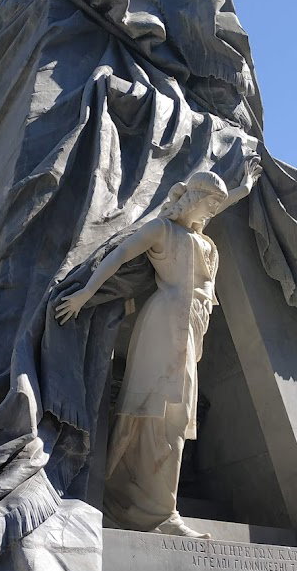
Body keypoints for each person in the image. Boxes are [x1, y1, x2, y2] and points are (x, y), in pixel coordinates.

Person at [56, 160, 260, 537]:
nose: (214, 211)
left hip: (192, 329)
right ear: (194, 198)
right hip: (165, 321)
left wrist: (243, 190)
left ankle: (148, 506)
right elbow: (118, 256)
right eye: (209, 203)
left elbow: (216, 203)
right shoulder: (162, 230)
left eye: (217, 206)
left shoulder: (204, 241)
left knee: (177, 420)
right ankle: (152, 512)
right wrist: (86, 292)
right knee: (152, 414)